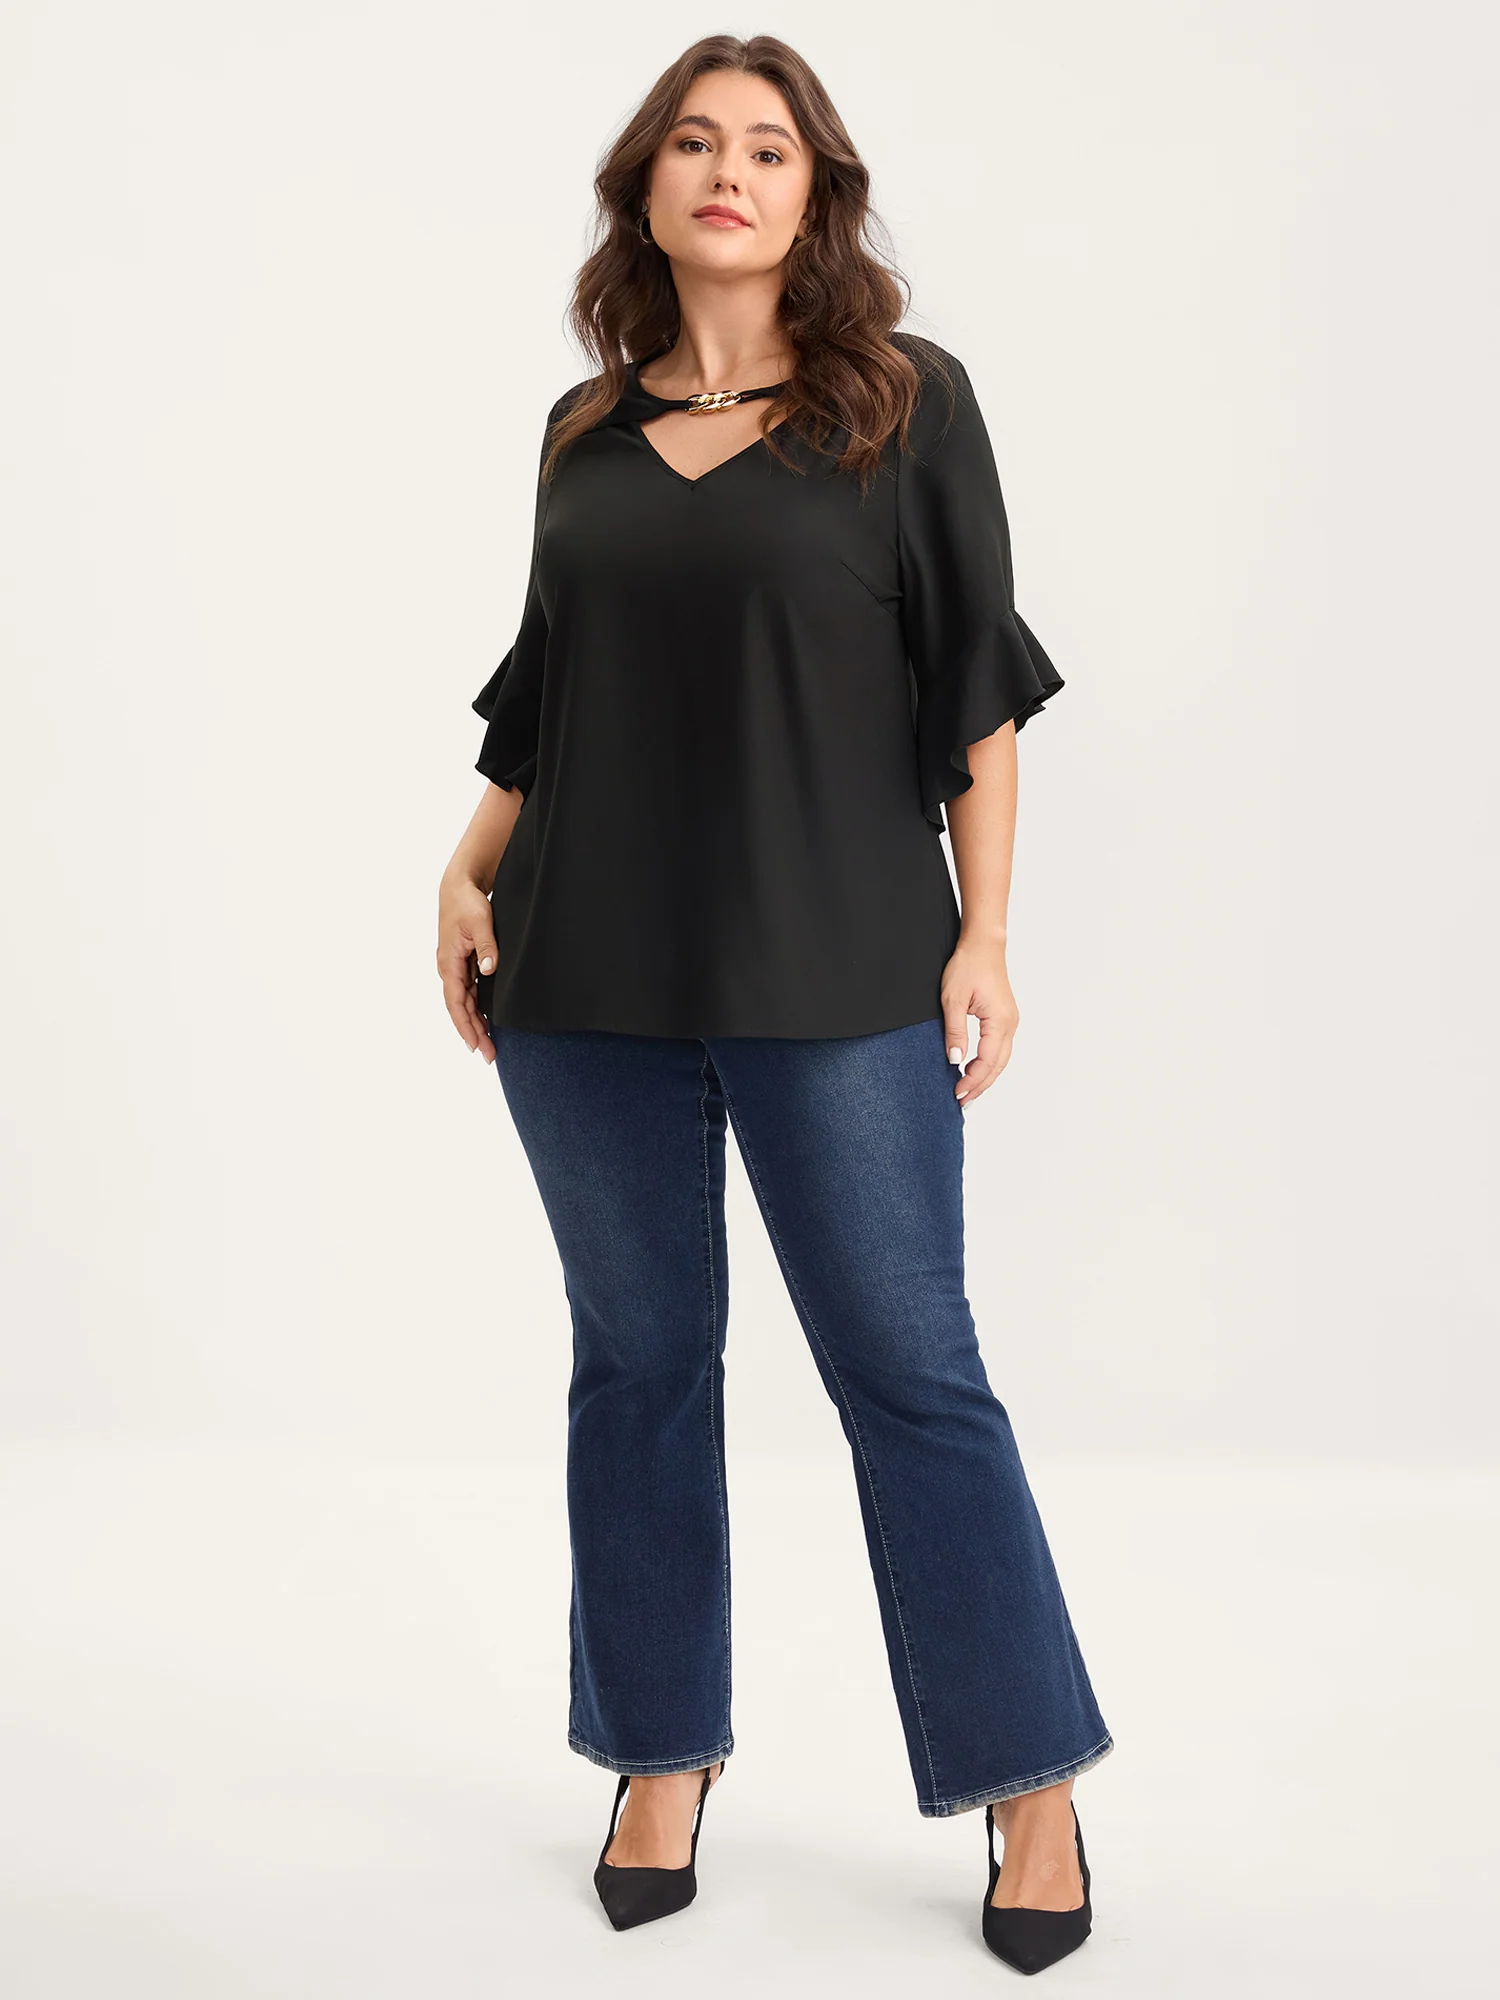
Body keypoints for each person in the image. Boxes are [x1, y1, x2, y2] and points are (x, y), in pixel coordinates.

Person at [436, 34, 1114, 1972]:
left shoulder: (905, 404)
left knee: (911, 1373)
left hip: (838, 965)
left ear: (815, 197)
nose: (727, 170)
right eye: (693, 142)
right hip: (585, 971)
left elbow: (975, 693)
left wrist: (985, 935)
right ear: (645, 186)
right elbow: (545, 693)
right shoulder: (582, 430)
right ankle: (660, 1753)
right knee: (638, 1366)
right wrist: (467, 866)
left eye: (768, 148)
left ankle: (1028, 1779)